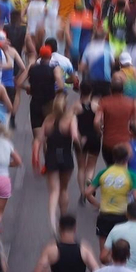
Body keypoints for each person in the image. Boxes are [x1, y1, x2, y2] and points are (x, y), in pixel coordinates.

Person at [82, 143, 136, 250]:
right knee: (122, 249)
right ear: (127, 158)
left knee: (104, 252)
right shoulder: (131, 175)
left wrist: (98, 204)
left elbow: (87, 193)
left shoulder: (103, 172)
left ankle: (106, 264)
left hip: (104, 215)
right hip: (122, 216)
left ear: (113, 157)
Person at [36, 95, 80, 232]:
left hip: (52, 157)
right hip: (66, 156)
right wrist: (79, 143)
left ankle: (52, 221)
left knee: (54, 191)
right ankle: (63, 217)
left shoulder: (48, 120)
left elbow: (39, 139)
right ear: (65, 106)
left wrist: (36, 157)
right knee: (64, 189)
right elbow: (74, 136)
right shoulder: (70, 119)